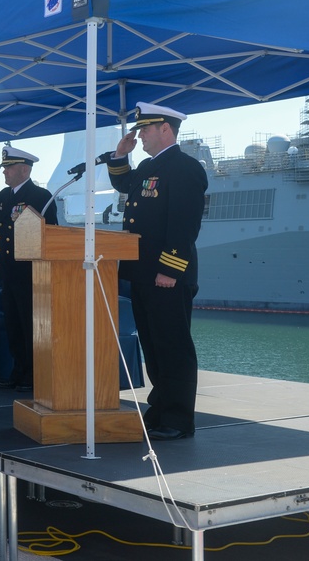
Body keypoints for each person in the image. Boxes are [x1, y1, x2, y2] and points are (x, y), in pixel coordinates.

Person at [108, 101, 208, 441]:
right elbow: (125, 185)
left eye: (145, 129)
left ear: (165, 128)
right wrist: (121, 155)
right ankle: (160, 408)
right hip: (142, 274)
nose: (140, 136)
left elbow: (184, 225)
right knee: (152, 345)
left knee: (173, 346)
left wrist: (170, 269)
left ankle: (179, 419)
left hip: (166, 276)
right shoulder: (152, 167)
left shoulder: (184, 168)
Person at [0, 146, 58, 392]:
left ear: (24, 169)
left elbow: (51, 235)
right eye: (5, 167)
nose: (5, 172)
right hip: (9, 271)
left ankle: (33, 374)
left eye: (9, 167)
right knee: (14, 325)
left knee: (30, 326)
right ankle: (18, 369)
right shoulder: (2, 197)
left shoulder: (40, 195)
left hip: (30, 273)